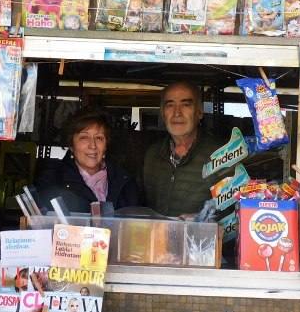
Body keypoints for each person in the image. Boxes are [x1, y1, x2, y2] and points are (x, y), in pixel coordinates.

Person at [142, 81, 222, 217]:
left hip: (201, 231)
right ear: (162, 113)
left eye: (186, 105)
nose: (177, 113)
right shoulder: (152, 155)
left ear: (199, 112)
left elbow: (236, 210)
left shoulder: (221, 154)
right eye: (170, 105)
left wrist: (201, 219)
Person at [35, 109, 139, 213]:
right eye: (84, 138)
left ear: (106, 145)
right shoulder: (52, 179)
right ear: (71, 145)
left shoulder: (125, 181)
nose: (92, 146)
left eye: (99, 138)